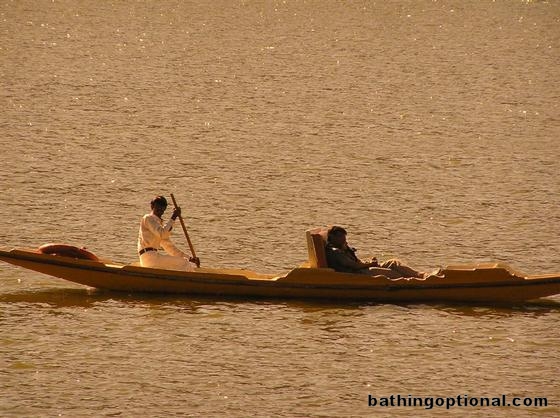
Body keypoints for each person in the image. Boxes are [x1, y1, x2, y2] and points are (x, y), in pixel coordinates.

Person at [325, 226, 441, 279]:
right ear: (332, 238)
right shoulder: (335, 252)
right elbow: (354, 266)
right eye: (341, 237)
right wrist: (370, 264)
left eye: (344, 237)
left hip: (363, 269)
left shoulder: (342, 247)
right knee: (396, 274)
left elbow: (356, 262)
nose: (344, 239)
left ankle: (422, 275)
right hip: (358, 274)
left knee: (393, 262)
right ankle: (418, 282)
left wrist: (369, 262)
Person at [137, 196, 200, 271]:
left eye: (162, 207)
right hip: (149, 257)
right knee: (184, 263)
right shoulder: (148, 218)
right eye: (158, 206)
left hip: (154, 258)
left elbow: (169, 247)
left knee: (184, 262)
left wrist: (189, 258)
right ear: (152, 206)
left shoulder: (159, 226)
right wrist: (174, 216)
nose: (160, 209)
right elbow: (162, 233)